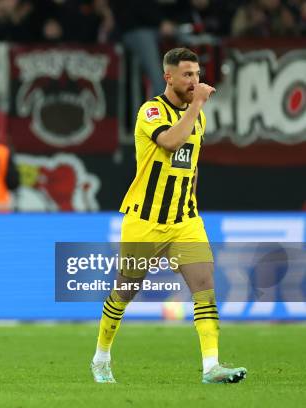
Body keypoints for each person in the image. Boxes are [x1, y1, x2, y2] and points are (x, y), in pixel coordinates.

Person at [90, 48, 247, 385]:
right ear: (168, 77)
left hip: (184, 220)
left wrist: (188, 201)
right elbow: (172, 142)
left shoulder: (196, 115)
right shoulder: (151, 111)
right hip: (144, 220)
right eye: (187, 74)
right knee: (125, 290)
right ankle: (101, 357)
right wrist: (197, 105)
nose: (195, 80)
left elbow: (190, 166)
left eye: (197, 74)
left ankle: (211, 367)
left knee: (204, 286)